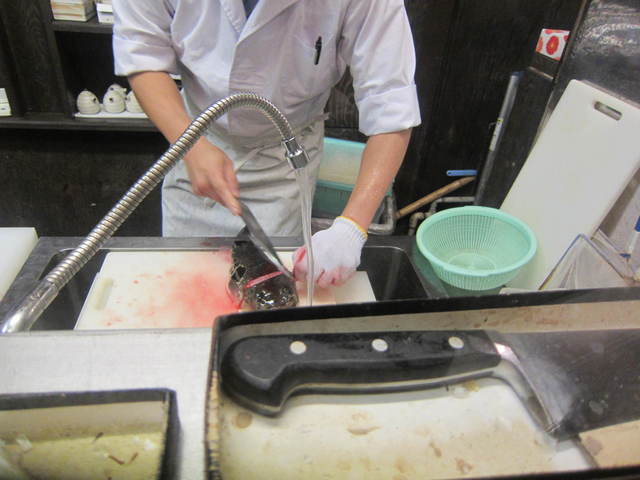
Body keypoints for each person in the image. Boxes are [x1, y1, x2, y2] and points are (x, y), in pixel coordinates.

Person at [112, 0, 421, 288]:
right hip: (196, 136)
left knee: (268, 288)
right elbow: (142, 51)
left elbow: (390, 104)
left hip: (284, 156)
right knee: (187, 283)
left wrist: (351, 228)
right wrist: (191, 144)